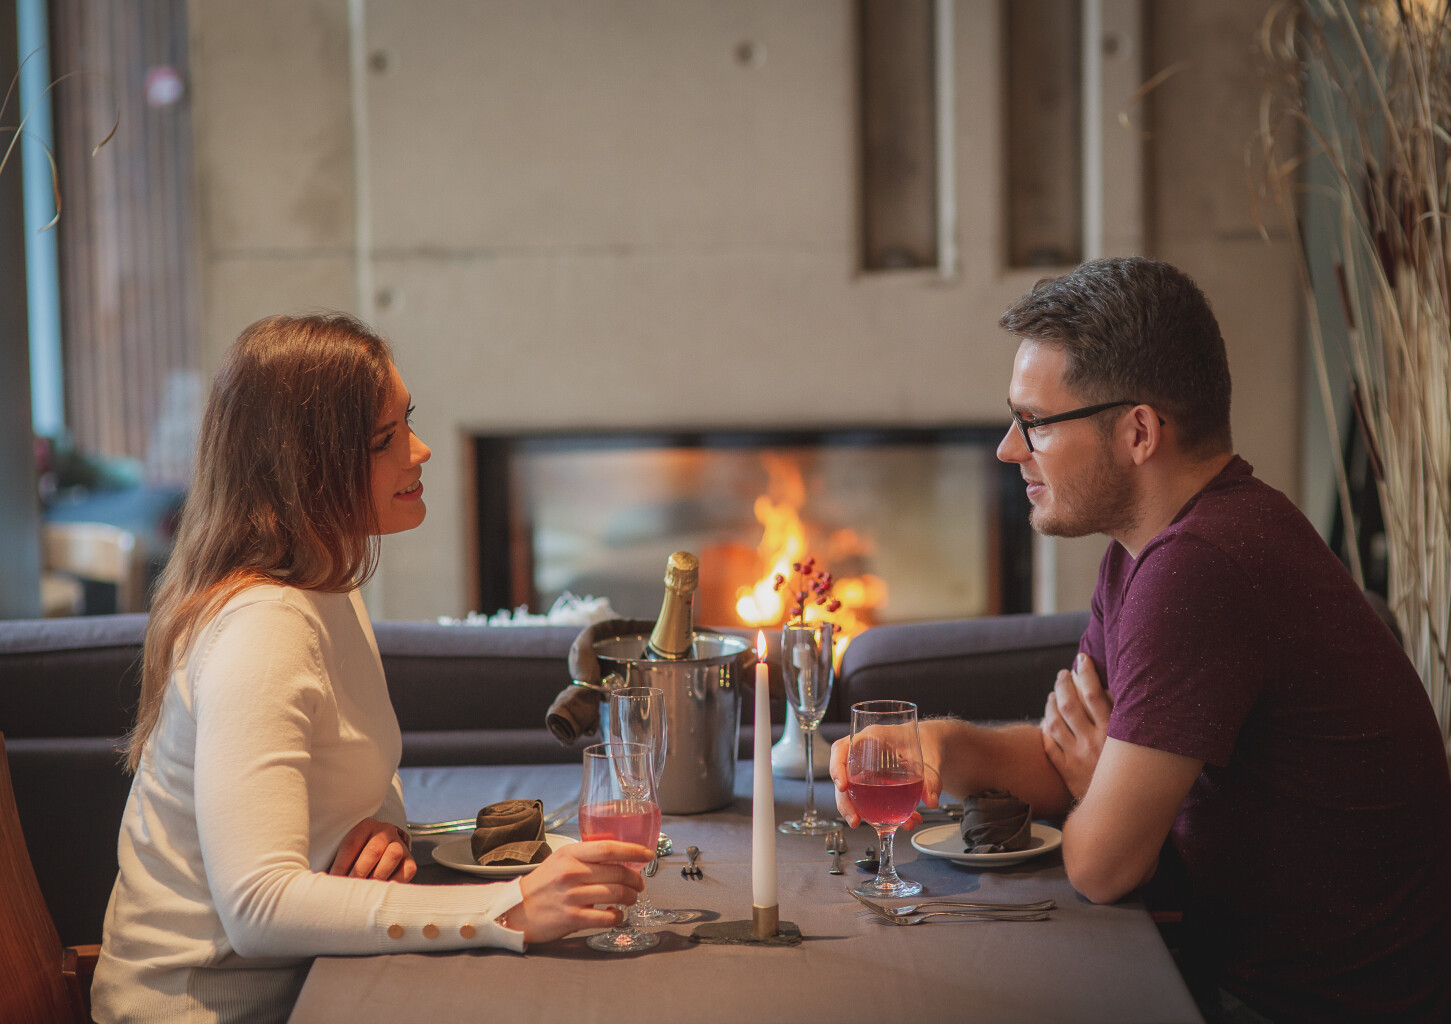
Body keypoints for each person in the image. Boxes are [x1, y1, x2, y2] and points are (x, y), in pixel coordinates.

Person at [830, 257, 1451, 1023]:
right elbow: (1070, 759)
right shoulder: (1152, 548)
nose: (1008, 448)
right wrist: (944, 747)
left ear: (1137, 431)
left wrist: (1099, 790)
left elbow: (1100, 864)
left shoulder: (1203, 568)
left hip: (1298, 1002)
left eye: (1034, 422)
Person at [92, 313, 650, 1024]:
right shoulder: (261, 629)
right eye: (385, 440)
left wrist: (378, 825)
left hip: (302, 985)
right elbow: (258, 909)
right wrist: (507, 906)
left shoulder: (327, 580)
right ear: (308, 466)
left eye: (406, 422)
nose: (418, 451)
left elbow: (358, 765)